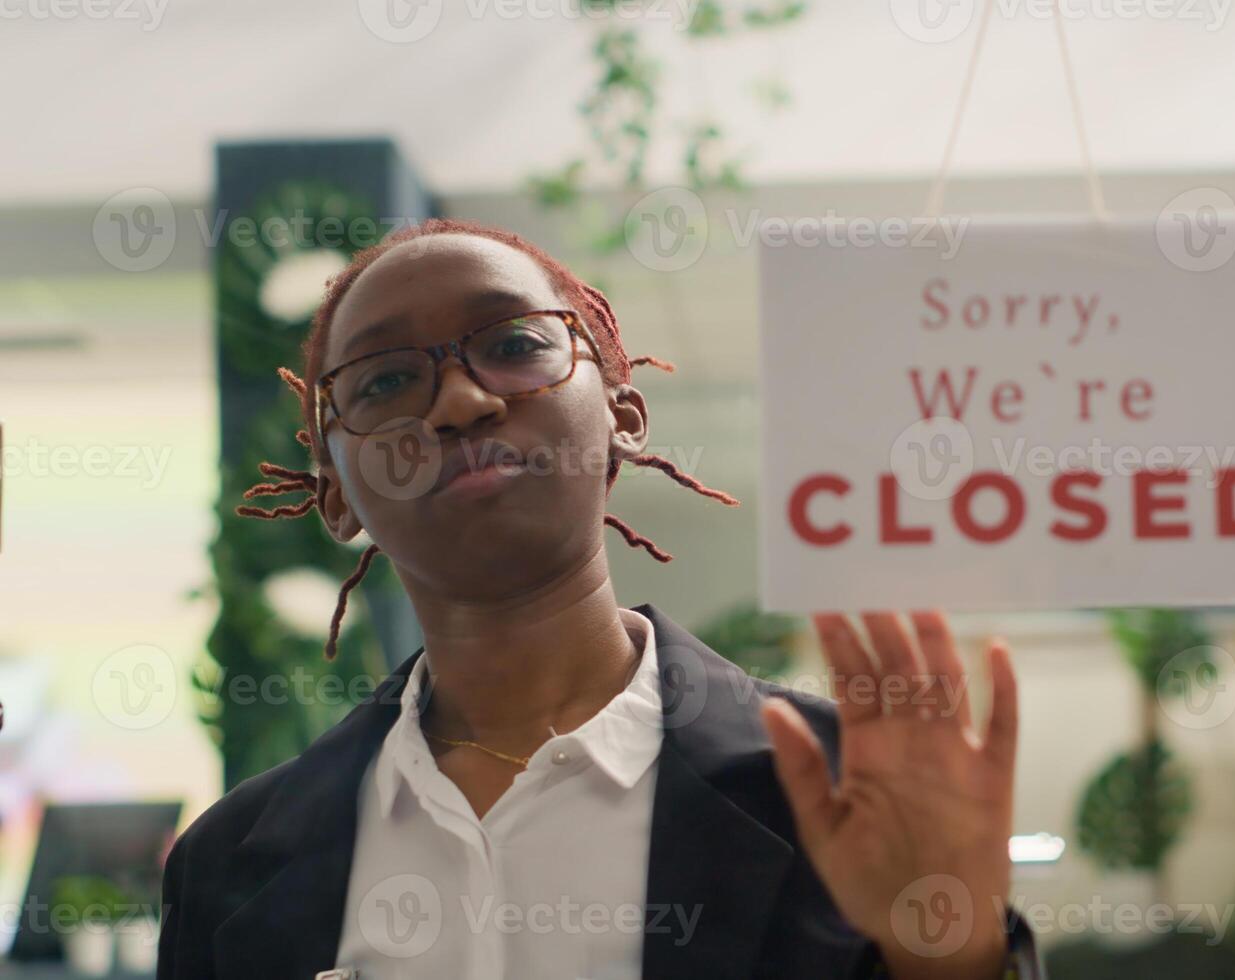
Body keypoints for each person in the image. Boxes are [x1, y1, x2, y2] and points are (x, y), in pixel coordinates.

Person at [156, 219, 1039, 979]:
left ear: (622, 413)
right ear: (336, 491)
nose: (459, 403)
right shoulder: (228, 866)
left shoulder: (844, 787)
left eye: (511, 345)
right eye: (384, 382)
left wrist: (951, 953)